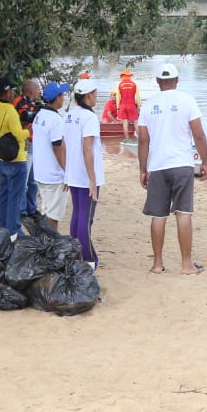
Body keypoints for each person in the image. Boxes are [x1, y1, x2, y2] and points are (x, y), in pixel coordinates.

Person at [137, 63, 207, 275]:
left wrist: (143, 168)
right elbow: (199, 134)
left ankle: (157, 264)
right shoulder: (187, 100)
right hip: (182, 164)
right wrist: (205, 161)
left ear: (158, 82)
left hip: (158, 166)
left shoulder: (148, 105)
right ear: (177, 81)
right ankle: (186, 265)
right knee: (183, 212)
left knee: (158, 216)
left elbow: (143, 140)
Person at [63, 77, 105, 268]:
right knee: (85, 217)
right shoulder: (89, 117)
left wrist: (66, 172)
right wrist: (92, 178)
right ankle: (88, 258)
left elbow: (66, 145)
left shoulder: (70, 115)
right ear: (88, 96)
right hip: (84, 174)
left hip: (73, 173)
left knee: (77, 215)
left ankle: (74, 254)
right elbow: (87, 148)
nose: (96, 96)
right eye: (95, 93)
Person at [0, 77, 30, 236]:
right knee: (15, 196)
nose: (13, 93)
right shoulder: (10, 111)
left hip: (1, 159)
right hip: (16, 160)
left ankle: (3, 227)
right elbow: (18, 135)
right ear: (6, 93)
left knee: (4, 195)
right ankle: (13, 230)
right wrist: (28, 130)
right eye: (12, 91)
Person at [30, 81, 71, 231]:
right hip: (53, 175)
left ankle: (44, 241)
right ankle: (50, 244)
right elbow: (58, 147)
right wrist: (67, 171)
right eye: (62, 95)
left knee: (46, 210)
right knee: (53, 215)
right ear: (57, 98)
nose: (64, 98)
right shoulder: (56, 120)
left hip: (41, 171)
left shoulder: (39, 115)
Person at [14, 79, 42, 218]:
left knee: (33, 180)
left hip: (33, 142)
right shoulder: (19, 103)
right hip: (25, 143)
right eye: (38, 90)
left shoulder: (33, 104)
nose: (39, 92)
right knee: (24, 180)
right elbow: (22, 120)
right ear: (31, 91)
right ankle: (22, 210)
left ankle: (31, 208)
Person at [110, 69, 142, 141]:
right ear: (129, 76)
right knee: (136, 123)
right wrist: (139, 106)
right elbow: (138, 97)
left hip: (123, 106)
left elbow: (118, 97)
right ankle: (140, 139)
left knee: (125, 123)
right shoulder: (134, 84)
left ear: (122, 76)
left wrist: (118, 108)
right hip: (132, 105)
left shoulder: (119, 84)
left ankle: (127, 139)